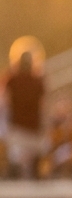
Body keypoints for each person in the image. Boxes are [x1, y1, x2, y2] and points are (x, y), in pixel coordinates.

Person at [3, 49, 45, 179]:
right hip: (33, 129)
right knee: (32, 168)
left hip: (17, 129)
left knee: (18, 165)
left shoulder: (11, 79)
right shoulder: (38, 81)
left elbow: (5, 102)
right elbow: (43, 106)